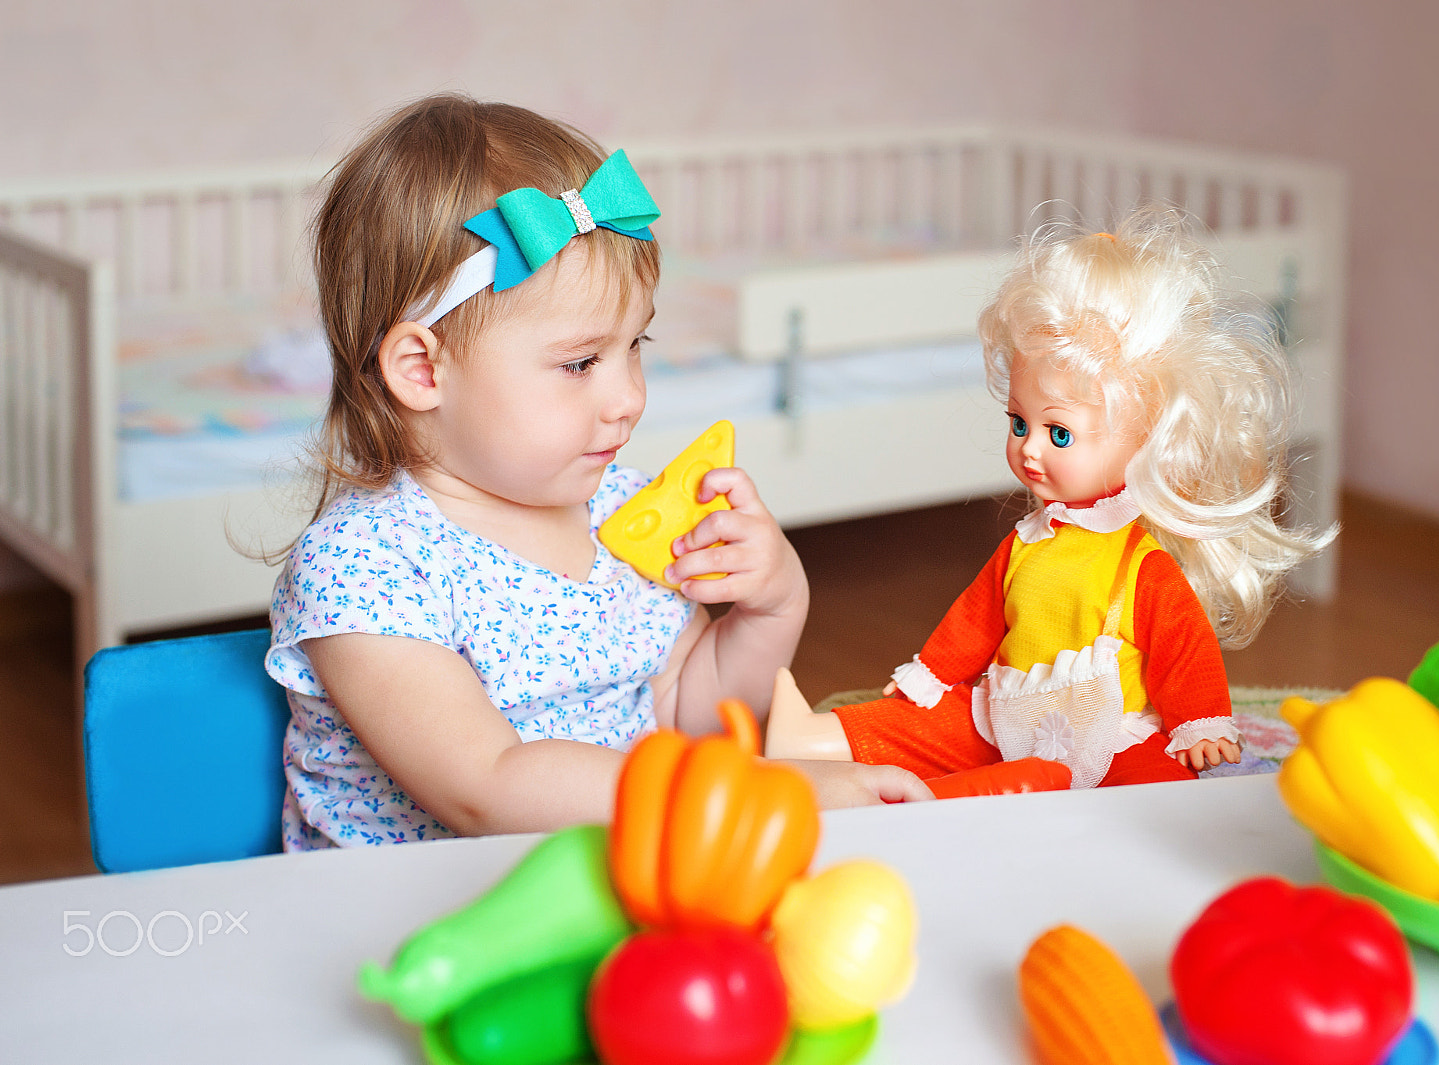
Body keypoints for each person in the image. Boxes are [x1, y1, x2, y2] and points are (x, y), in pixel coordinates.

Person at [266, 94, 929, 849]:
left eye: (633, 348)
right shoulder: (366, 563)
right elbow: (488, 784)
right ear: (423, 370)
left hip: (623, 878)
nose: (628, 399)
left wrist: (771, 608)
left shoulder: (618, 510)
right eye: (580, 363)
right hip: (425, 924)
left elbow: (687, 715)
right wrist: (760, 793)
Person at [765, 206, 1332, 791]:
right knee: (928, 723)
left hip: (1109, 732)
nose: (1028, 449)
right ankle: (810, 739)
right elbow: (976, 619)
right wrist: (931, 674)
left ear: (1145, 436)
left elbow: (1183, 651)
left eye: (1058, 433)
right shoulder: (1026, 545)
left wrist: (1200, 721)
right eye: (1018, 423)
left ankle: (962, 793)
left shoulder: (1142, 566)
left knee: (1161, 776)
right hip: (1008, 711)